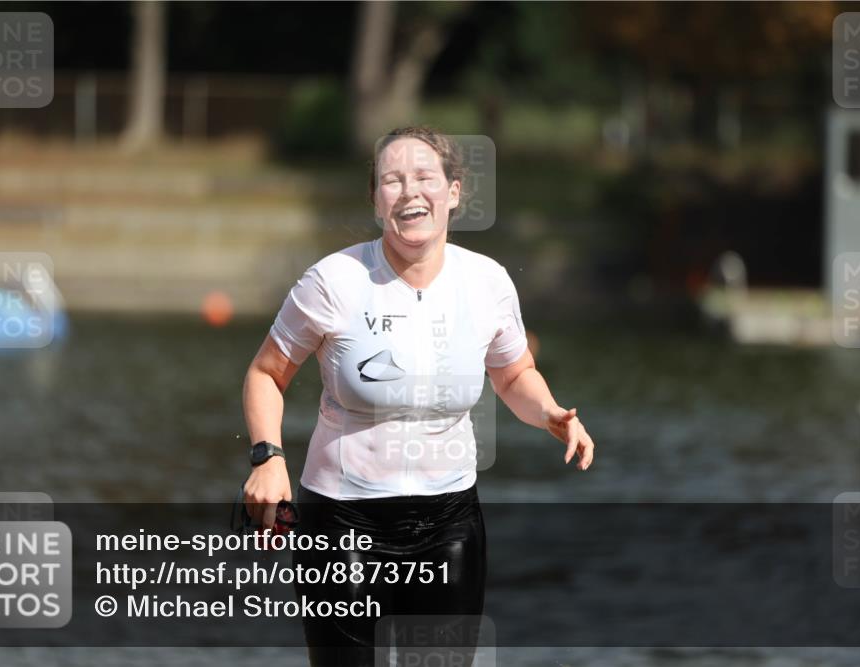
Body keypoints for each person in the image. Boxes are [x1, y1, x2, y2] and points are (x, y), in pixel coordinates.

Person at [241, 126, 595, 666]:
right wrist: (268, 457)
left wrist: (549, 411)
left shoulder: (487, 282)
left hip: (449, 523)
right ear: (377, 199)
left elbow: (513, 373)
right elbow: (266, 374)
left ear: (453, 192)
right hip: (341, 521)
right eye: (392, 180)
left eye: (425, 178)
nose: (410, 191)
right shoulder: (334, 280)